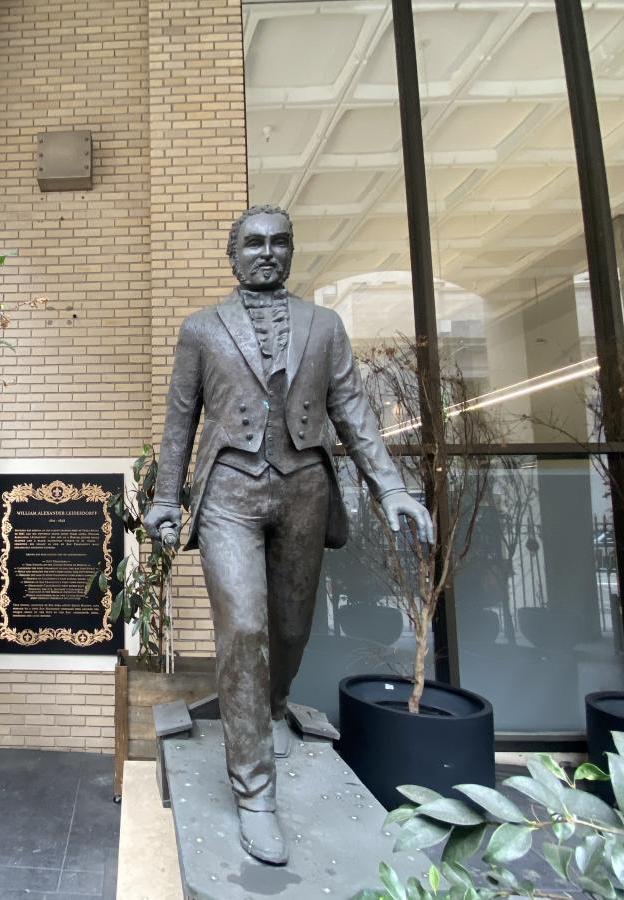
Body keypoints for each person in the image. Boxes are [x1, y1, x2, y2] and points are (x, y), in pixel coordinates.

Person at [144, 205, 433, 865]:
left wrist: (390, 486)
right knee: (243, 627)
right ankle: (255, 795)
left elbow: (354, 409)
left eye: (279, 243)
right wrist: (166, 499)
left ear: (292, 251)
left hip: (304, 486)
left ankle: (274, 704)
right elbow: (179, 419)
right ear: (233, 253)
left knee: (291, 625)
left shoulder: (325, 326)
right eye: (254, 243)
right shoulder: (200, 329)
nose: (267, 252)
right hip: (227, 493)